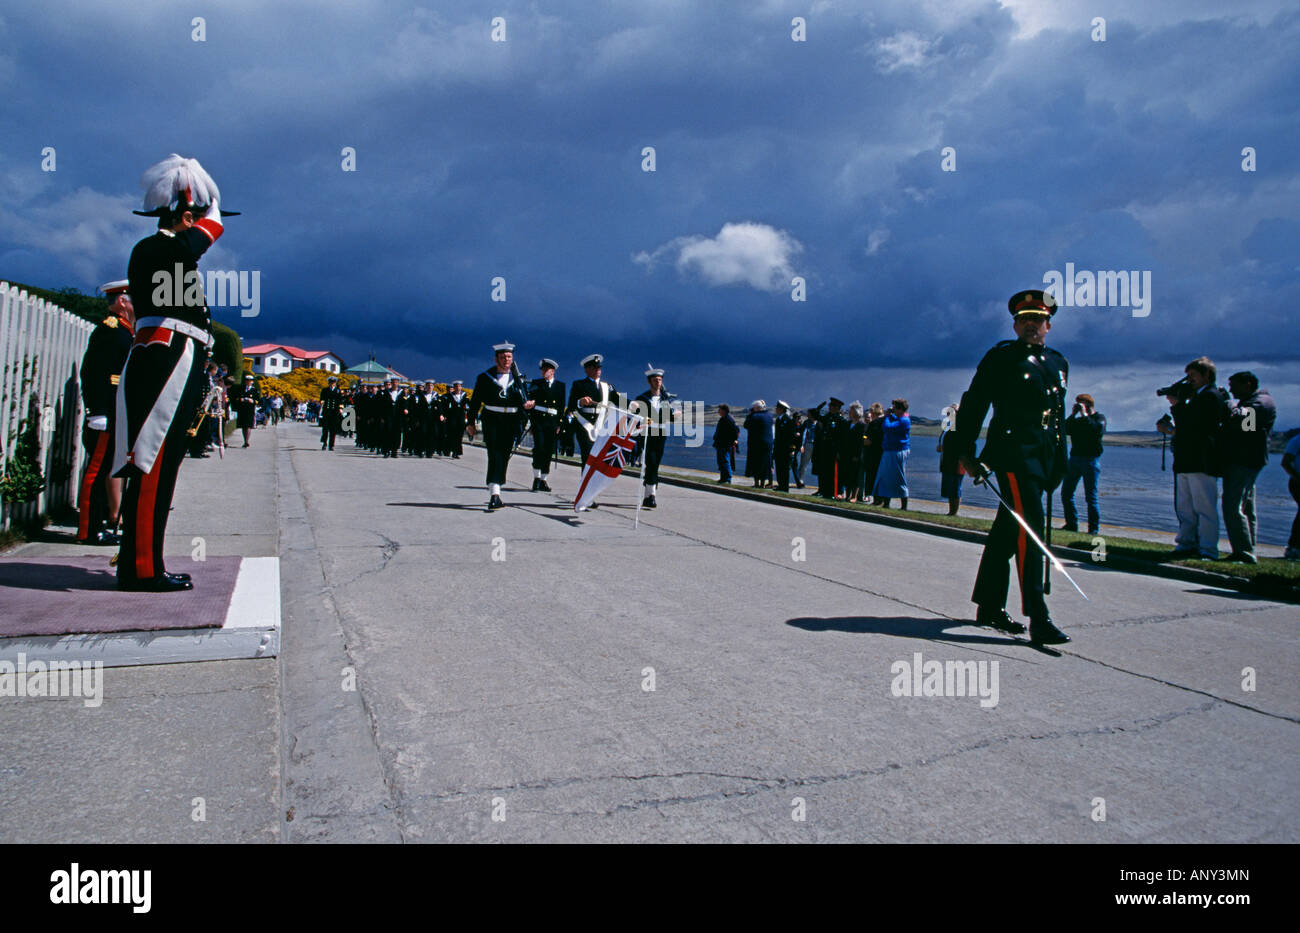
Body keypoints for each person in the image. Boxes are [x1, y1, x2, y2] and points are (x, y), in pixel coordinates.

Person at [112, 154, 232, 592]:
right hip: (165, 357)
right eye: (196, 218)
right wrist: (212, 219)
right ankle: (142, 567)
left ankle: (143, 561)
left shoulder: (173, 257)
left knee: (162, 465)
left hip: (176, 355)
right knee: (153, 462)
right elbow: (192, 244)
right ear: (185, 217)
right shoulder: (158, 248)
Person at [954, 289, 1070, 645]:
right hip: (1013, 456)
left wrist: (1059, 460)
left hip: (1044, 458)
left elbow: (1056, 419)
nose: (1031, 325)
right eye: (1025, 320)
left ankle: (989, 606)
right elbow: (975, 403)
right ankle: (1038, 614)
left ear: (1049, 325)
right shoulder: (1002, 358)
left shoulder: (1057, 363)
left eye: (1038, 320)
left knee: (1008, 532)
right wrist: (965, 451)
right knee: (1029, 530)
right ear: (1015, 324)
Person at [77, 280, 134, 545]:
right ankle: (88, 530)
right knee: (95, 473)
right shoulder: (111, 331)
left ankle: (98, 524)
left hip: (113, 415)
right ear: (122, 301)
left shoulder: (124, 332)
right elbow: (92, 373)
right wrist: (97, 411)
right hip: (104, 415)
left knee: (103, 473)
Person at [1156, 357, 1229, 559]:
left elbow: (1195, 425)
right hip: (1187, 458)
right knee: (1185, 507)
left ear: (1206, 375)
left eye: (1193, 376)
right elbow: (1187, 425)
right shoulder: (1199, 397)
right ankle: (1186, 543)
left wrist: (1178, 406)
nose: (1190, 380)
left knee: (1204, 507)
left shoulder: (1212, 397)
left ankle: (1208, 548)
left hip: (1202, 459)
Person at [467, 341, 535, 510]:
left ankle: (496, 488)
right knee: (494, 454)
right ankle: (494, 493)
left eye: (509, 357)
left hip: (511, 421)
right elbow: (475, 402)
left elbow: (523, 401)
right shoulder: (484, 378)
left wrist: (527, 406)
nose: (507, 360)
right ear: (496, 358)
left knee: (504, 455)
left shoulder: (518, 379)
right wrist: (471, 422)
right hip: (492, 419)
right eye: (503, 357)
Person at [1220, 371, 1277, 563]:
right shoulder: (1258, 401)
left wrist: (1228, 403)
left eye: (1233, 385)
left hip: (1244, 460)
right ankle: (1248, 549)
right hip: (1248, 460)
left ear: (1248, 384)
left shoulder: (1260, 403)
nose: (1231, 389)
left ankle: (1243, 552)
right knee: (1246, 506)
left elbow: (1246, 425)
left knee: (1232, 505)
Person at [1059, 393, 1106, 534]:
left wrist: (1084, 414)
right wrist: (1073, 415)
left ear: (1089, 404)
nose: (1079, 406)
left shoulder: (1099, 418)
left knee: (1091, 497)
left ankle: (1093, 529)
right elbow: (1065, 428)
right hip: (1075, 459)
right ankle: (1071, 524)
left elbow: (1096, 430)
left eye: (1081, 403)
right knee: (1066, 493)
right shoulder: (1078, 421)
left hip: (1091, 460)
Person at [634, 364, 675, 508]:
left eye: (660, 380)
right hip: (648, 433)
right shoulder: (642, 398)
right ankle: (651, 495)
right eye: (655, 380)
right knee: (650, 463)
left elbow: (670, 417)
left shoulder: (666, 399)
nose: (658, 382)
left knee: (655, 464)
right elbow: (635, 416)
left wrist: (675, 414)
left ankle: (649, 494)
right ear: (649, 382)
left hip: (661, 434)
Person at [567, 354, 615, 465]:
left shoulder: (607, 386)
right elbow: (571, 405)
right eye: (595, 367)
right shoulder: (579, 384)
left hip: (601, 425)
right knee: (588, 457)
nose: (598, 369)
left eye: (599, 367)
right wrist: (581, 402)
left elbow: (619, 400)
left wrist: (633, 405)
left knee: (598, 459)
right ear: (587, 370)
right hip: (585, 425)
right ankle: (585, 482)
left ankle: (591, 482)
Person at [529, 359, 566, 491]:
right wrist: (531, 423)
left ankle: (544, 479)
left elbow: (561, 407)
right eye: (542, 369)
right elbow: (530, 403)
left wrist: (560, 423)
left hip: (552, 421)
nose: (544, 372)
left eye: (546, 370)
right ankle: (536, 478)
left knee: (549, 450)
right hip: (539, 420)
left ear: (553, 371)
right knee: (539, 448)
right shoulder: (536, 384)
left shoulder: (560, 386)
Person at [872, 399, 911, 509]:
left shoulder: (904, 420)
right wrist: (890, 415)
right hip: (890, 450)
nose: (892, 409)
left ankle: (904, 506)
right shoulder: (900, 418)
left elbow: (887, 427)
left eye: (894, 408)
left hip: (897, 451)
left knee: (899, 477)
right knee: (885, 477)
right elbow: (893, 422)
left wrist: (887, 415)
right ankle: (886, 503)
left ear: (899, 409)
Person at [813, 398, 847, 497]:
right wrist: (819, 407)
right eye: (829, 406)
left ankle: (834, 492)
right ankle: (823, 490)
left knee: (833, 472)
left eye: (832, 406)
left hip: (833, 449)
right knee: (824, 470)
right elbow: (817, 416)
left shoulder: (841, 420)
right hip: (825, 448)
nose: (829, 407)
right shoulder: (828, 417)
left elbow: (842, 438)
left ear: (837, 408)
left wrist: (839, 452)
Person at [937, 402, 965, 516]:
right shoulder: (948, 426)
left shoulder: (962, 426)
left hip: (957, 461)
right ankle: (951, 511)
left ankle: (954, 512)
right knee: (949, 486)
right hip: (948, 460)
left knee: (955, 487)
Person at [743, 400, 775, 488]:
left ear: (756, 408)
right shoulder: (769, 416)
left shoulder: (755, 416)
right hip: (768, 445)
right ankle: (763, 483)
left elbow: (746, 425)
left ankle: (757, 483)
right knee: (765, 464)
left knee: (756, 464)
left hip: (756, 444)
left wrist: (749, 415)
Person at [840, 402, 867, 502]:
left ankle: (854, 496)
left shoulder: (862, 426)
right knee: (847, 475)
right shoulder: (847, 424)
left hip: (856, 455)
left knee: (855, 476)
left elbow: (861, 442)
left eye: (852, 411)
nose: (850, 413)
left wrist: (857, 455)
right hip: (846, 453)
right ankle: (847, 495)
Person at [1282, 430, 1300, 560]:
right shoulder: (1297, 440)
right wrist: (1297, 478)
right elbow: (1285, 462)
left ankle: (1294, 546)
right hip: (1297, 481)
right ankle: (1293, 547)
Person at [773, 401, 797, 492]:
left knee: (784, 469)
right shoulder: (779, 420)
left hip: (785, 449)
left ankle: (784, 487)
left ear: (782, 409)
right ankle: (780, 485)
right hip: (779, 448)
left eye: (778, 408)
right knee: (779, 467)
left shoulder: (788, 421)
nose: (776, 410)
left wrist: (792, 449)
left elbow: (792, 437)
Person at [712, 404, 739, 483]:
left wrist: (733, 440)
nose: (718, 411)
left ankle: (727, 479)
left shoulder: (729, 420)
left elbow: (735, 431)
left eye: (719, 410)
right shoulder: (723, 419)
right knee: (721, 462)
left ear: (724, 410)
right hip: (720, 444)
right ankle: (723, 478)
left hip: (725, 445)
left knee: (725, 461)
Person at [443, 380, 469, 458]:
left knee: (459, 435)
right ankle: (453, 451)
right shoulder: (450, 396)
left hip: (461, 417)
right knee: (453, 434)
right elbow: (446, 407)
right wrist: (444, 415)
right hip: (452, 417)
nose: (458, 388)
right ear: (454, 387)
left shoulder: (464, 395)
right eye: (456, 386)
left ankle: (457, 452)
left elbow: (468, 405)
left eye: (459, 386)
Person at [232, 374, 259, 447]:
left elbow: (258, 400)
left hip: (250, 410)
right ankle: (245, 440)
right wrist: (241, 399)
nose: (248, 382)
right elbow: (236, 398)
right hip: (242, 409)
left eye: (250, 381)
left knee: (248, 425)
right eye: (247, 380)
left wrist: (252, 401)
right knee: (244, 426)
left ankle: (246, 441)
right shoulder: (241, 388)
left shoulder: (254, 390)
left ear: (252, 382)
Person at [320, 375, 343, 451]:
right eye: (331, 382)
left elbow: (340, 400)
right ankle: (324, 443)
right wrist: (322, 403)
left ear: (335, 383)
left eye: (333, 382)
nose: (332, 384)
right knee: (325, 428)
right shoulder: (325, 390)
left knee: (333, 429)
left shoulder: (338, 391)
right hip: (327, 411)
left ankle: (331, 445)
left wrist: (340, 408)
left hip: (334, 412)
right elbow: (322, 399)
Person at [796, 408, 817, 489]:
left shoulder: (817, 423)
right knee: (804, 464)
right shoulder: (807, 423)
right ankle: (800, 480)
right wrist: (802, 445)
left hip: (815, 445)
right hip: (808, 444)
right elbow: (804, 434)